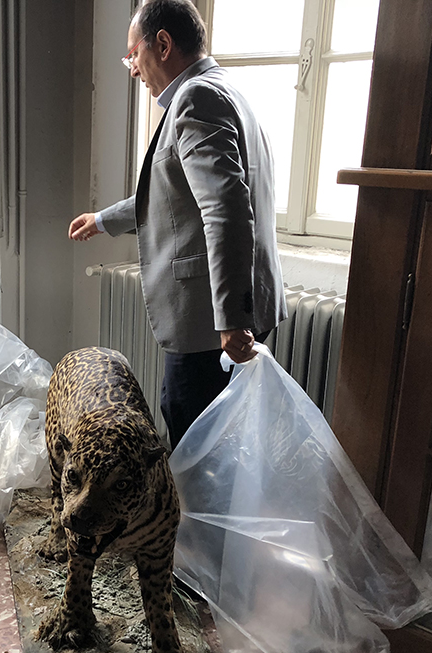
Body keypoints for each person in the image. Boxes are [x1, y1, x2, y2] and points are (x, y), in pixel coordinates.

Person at [69, 0, 286, 449]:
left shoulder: (195, 99)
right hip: (243, 305)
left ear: (163, 44)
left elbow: (225, 209)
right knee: (224, 444)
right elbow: (174, 195)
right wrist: (103, 219)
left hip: (211, 319)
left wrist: (230, 318)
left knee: (193, 445)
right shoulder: (226, 89)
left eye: (133, 54)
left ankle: (191, 502)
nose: (133, 69)